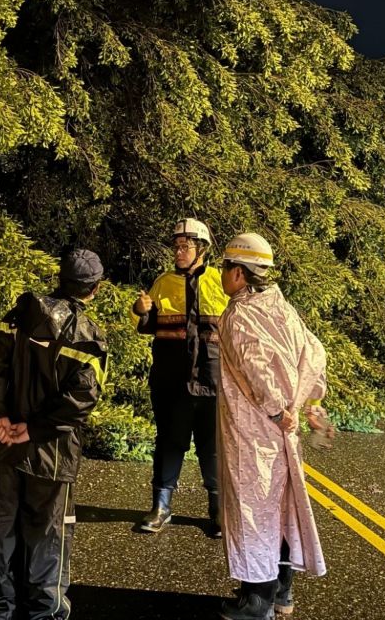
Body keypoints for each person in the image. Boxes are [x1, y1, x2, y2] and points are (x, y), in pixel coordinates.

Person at [0, 249, 108, 620]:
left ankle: (2, 603)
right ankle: (45, 609)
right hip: (52, 449)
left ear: (60, 278)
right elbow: (81, 400)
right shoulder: (88, 335)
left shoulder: (19, 315)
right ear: (95, 288)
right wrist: (33, 430)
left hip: (7, 442)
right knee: (50, 530)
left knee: (7, 523)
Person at [216, 233, 333, 620]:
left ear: (238, 273)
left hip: (252, 433)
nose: (222, 275)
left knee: (253, 512)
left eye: (224, 268)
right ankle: (282, 593)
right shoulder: (281, 306)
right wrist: (310, 403)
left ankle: (257, 602)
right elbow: (314, 353)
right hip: (285, 432)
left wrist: (276, 411)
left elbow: (256, 371)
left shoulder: (238, 315)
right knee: (281, 510)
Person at [132, 218, 229, 536]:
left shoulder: (220, 282)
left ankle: (218, 510)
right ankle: (161, 507)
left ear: (202, 249)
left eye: (185, 246)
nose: (178, 252)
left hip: (213, 382)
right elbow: (149, 326)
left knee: (212, 448)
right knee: (169, 443)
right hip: (171, 382)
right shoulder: (163, 283)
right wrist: (142, 310)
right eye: (175, 246)